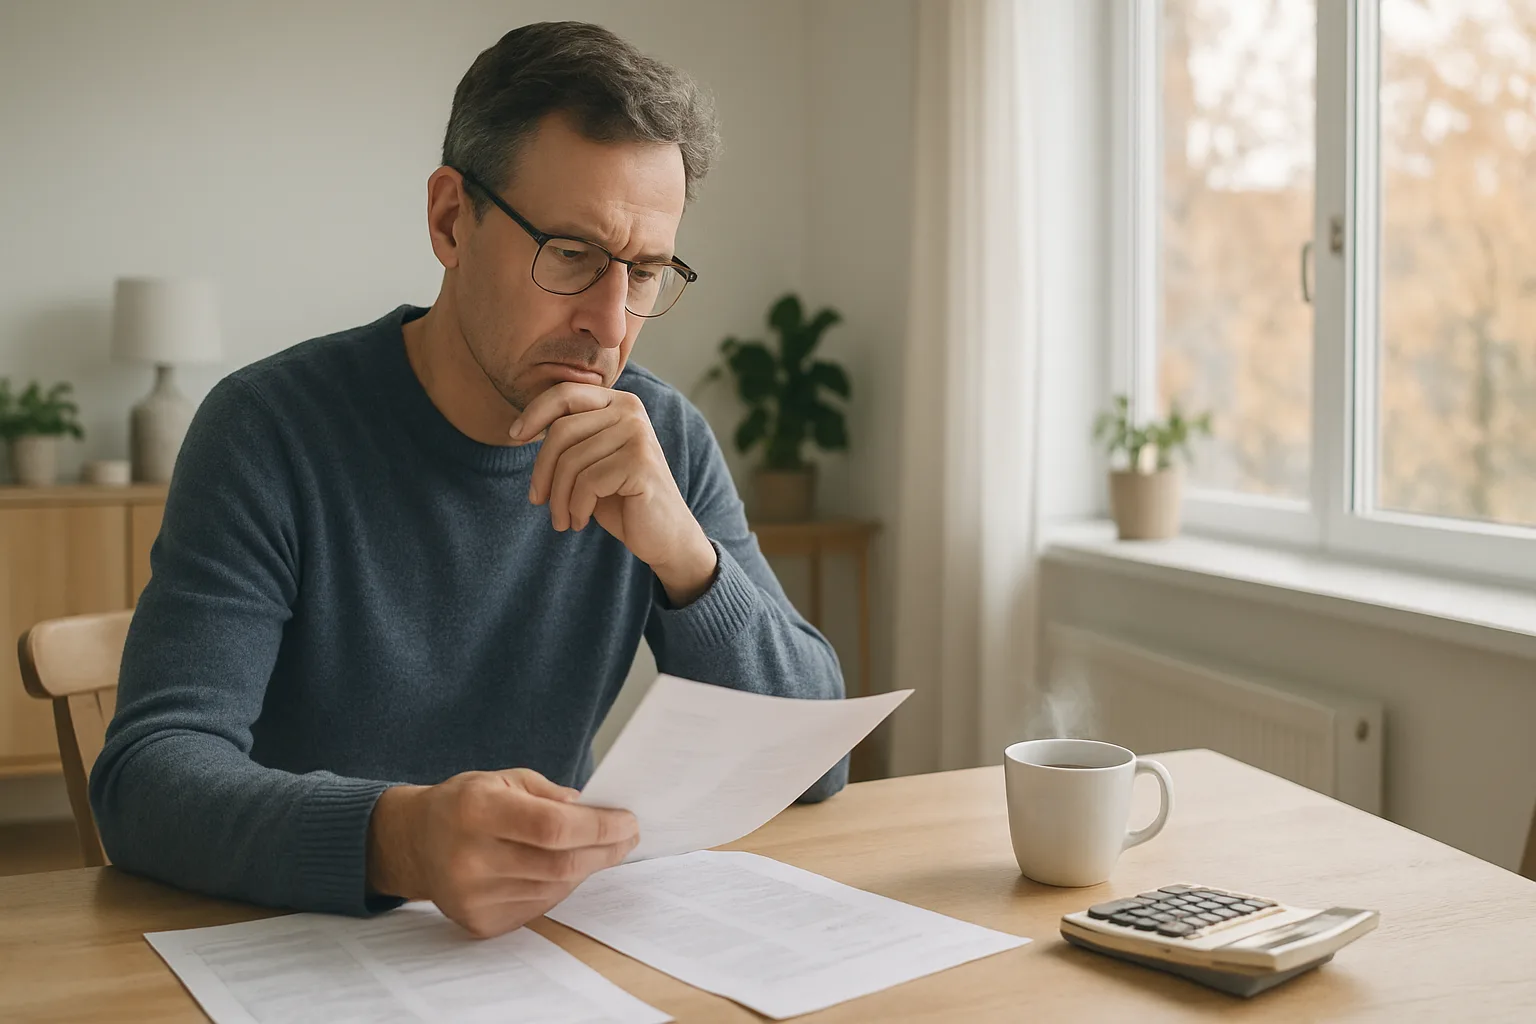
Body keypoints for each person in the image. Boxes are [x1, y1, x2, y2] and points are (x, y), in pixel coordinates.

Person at [89, 21, 846, 939]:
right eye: (570, 254)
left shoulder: (659, 439)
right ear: (452, 220)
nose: (610, 323)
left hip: (543, 956)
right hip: (297, 948)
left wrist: (688, 559)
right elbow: (147, 778)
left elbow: (818, 766)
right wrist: (399, 838)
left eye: (644, 272)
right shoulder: (269, 432)